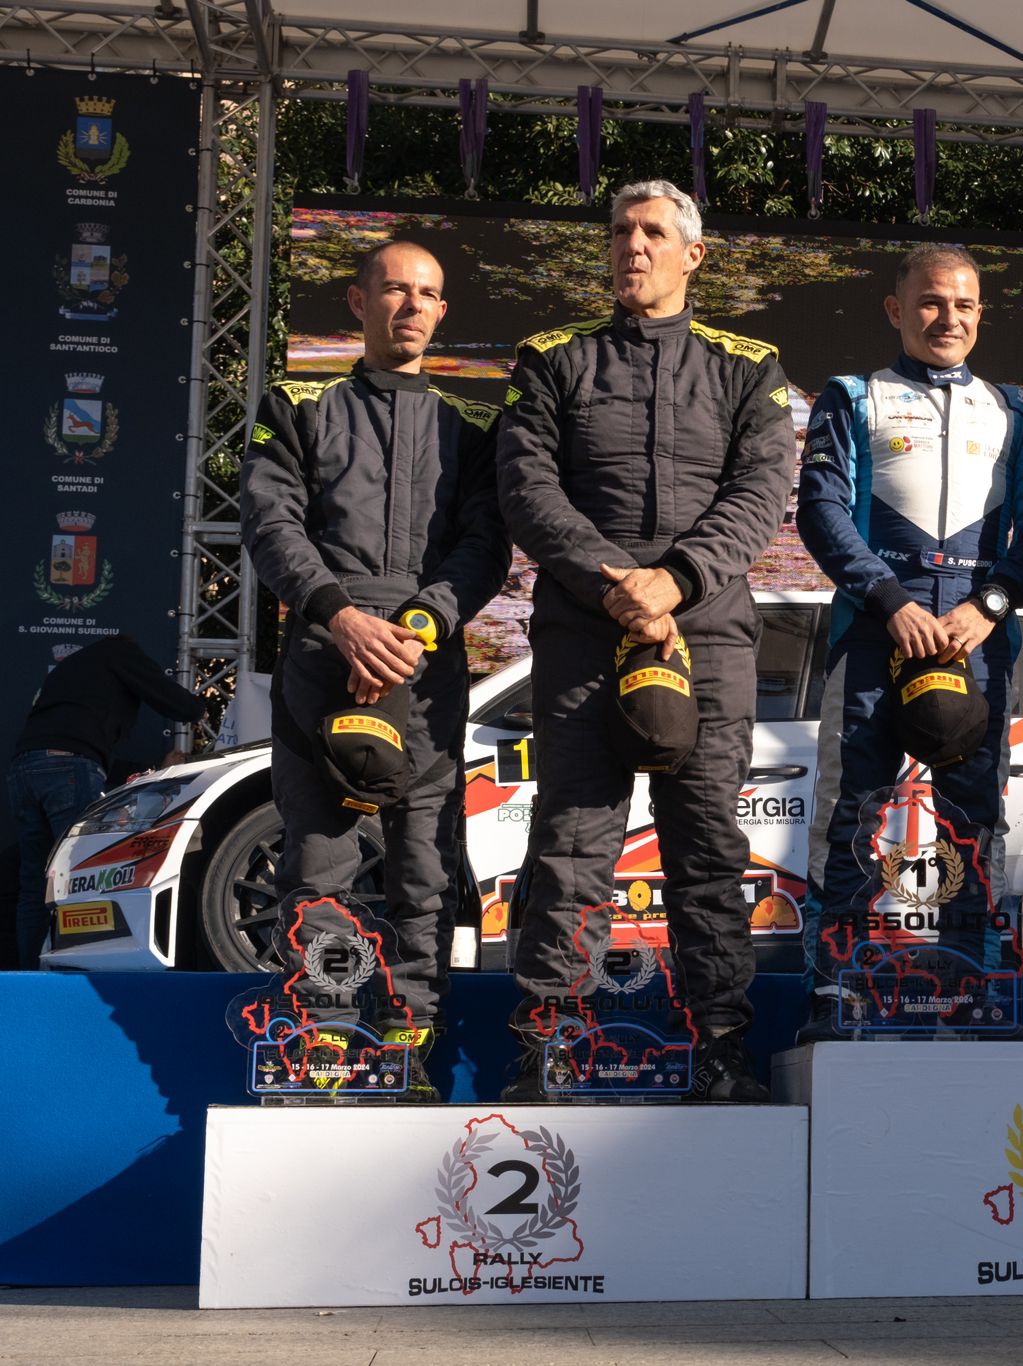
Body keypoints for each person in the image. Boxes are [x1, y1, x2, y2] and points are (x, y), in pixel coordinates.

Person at [497, 179, 792, 1101]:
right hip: (586, 632)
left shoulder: (750, 366)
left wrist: (677, 579)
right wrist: (618, 583)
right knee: (572, 843)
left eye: (654, 232)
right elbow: (526, 488)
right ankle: (550, 1047)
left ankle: (720, 1049)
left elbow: (761, 491)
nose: (633, 245)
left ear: (692, 256)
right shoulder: (552, 358)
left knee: (707, 848)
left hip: (707, 634)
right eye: (621, 231)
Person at [240, 240, 509, 1098]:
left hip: (428, 666)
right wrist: (342, 618)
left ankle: (406, 1049)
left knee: (424, 873)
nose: (412, 306)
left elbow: (486, 544)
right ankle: (323, 1041)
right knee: (318, 861)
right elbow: (270, 523)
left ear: (443, 311)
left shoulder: (473, 424)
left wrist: (418, 627)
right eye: (394, 290)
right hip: (325, 655)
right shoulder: (298, 403)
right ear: (359, 303)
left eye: (428, 294)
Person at [793, 244, 1023, 1040]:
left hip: (976, 637)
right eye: (931, 302)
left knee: (974, 819)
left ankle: (974, 988)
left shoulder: (1016, 410)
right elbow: (821, 511)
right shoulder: (853, 397)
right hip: (877, 633)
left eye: (964, 305)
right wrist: (888, 599)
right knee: (853, 811)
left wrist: (990, 605)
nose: (949, 318)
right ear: (896, 309)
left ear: (982, 315)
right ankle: (835, 988)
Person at [8, 635, 204, 967]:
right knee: (79, 875)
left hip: (24, 769)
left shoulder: (73, 672)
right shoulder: (121, 651)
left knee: (34, 884)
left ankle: (28, 974)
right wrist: (200, 708)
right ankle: (80, 970)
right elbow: (180, 706)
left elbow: (86, 748)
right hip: (68, 767)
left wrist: (153, 767)